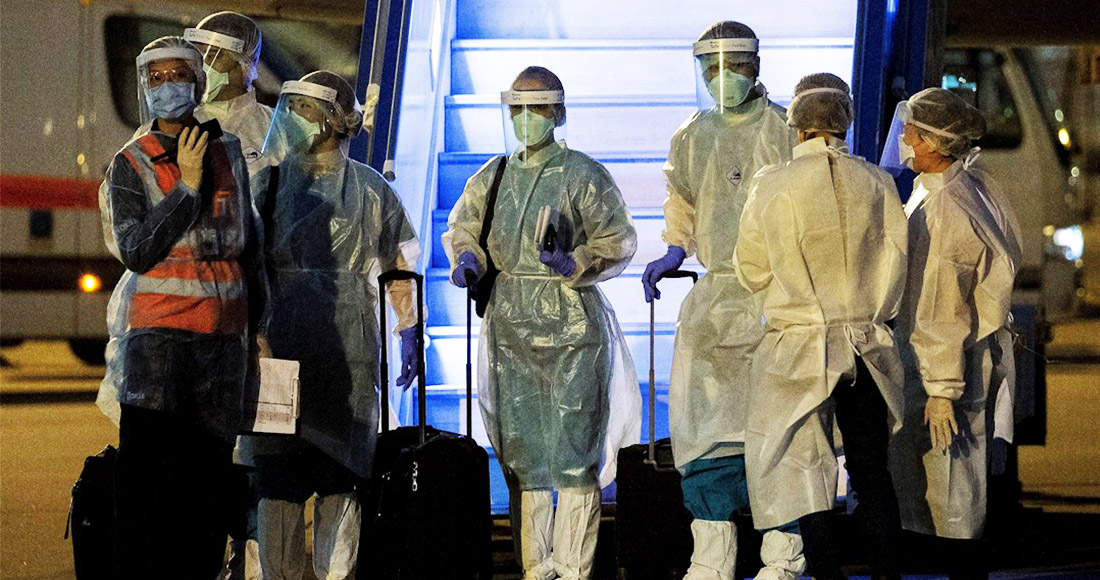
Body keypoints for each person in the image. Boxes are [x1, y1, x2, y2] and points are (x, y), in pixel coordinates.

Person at [444, 66, 641, 580]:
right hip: (510, 327)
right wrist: (467, 261)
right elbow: (465, 229)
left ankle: (573, 567)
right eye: (518, 108)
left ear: (558, 112)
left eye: (537, 107)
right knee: (525, 456)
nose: (526, 117)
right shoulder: (492, 177)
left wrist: (572, 262)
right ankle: (536, 566)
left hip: (574, 326)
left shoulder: (583, 175)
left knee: (576, 453)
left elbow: (618, 238)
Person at [98, 36, 267, 579]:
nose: (167, 85)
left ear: (198, 81)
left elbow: (248, 244)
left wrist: (260, 327)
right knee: (151, 489)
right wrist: (187, 188)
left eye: (178, 74)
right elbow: (136, 249)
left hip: (223, 345)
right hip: (160, 345)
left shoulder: (230, 151)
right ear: (145, 88)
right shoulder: (130, 162)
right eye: (156, 77)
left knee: (208, 487)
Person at [640, 20, 801, 580]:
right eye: (712, 68)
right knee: (706, 433)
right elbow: (682, 201)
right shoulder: (692, 136)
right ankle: (712, 558)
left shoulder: (785, 129)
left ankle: (782, 559)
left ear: (756, 66)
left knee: (779, 434)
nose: (722, 77)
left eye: (733, 66)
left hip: (778, 300)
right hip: (716, 303)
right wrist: (674, 250)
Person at [247, 70, 421, 580]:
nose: (291, 118)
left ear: (332, 119)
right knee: (277, 482)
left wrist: (410, 330)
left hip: (348, 350)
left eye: (303, 108)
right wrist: (252, 334)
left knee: (339, 480)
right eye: (290, 107)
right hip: (276, 349)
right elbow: (245, 264)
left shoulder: (371, 190)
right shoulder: (268, 185)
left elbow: (400, 266)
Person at [735, 73, 908, 580]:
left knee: (806, 473)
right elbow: (898, 262)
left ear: (797, 124)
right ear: (845, 119)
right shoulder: (876, 181)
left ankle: (829, 575)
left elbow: (751, 268)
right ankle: (887, 574)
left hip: (800, 350)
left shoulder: (773, 184)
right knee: (871, 472)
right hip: (867, 346)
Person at [883, 87, 1022, 580]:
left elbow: (942, 307)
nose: (903, 138)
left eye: (911, 131)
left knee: (953, 496)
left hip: (948, 368)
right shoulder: (965, 184)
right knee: (951, 491)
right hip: (954, 359)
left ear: (935, 142)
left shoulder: (945, 209)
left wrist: (941, 390)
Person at [183, 12, 273, 577]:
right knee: (194, 453)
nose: (207, 66)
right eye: (202, 53)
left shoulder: (270, 131)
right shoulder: (175, 125)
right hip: (186, 313)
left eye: (218, 56)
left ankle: (252, 562)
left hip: (246, 306)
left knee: (253, 452)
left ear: (248, 65)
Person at [184, 11, 275, 175]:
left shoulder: (276, 130)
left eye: (212, 56)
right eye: (197, 55)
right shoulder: (172, 123)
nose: (201, 66)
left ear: (244, 64)